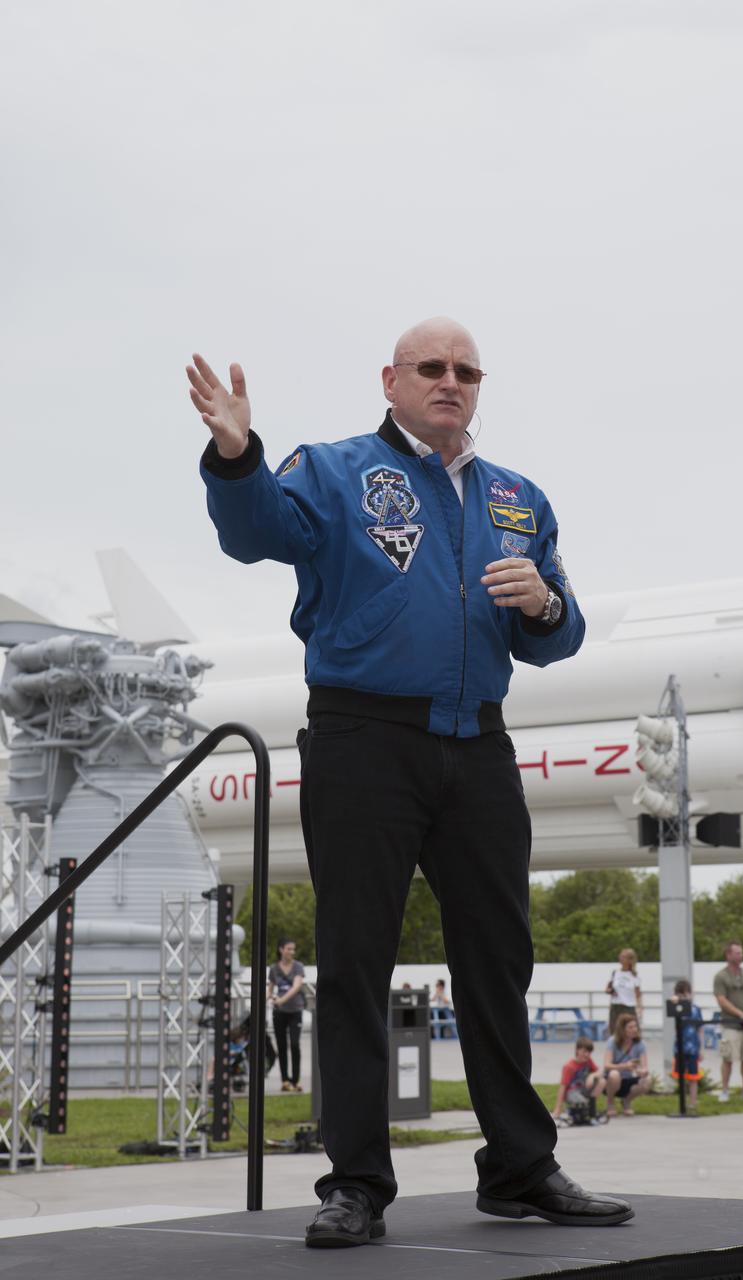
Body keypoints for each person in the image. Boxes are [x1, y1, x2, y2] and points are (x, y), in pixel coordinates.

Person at [189, 318, 633, 1246]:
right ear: (390, 379)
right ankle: (354, 1182)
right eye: (431, 368)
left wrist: (546, 604)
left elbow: (560, 634)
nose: (450, 382)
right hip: (364, 740)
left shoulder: (517, 497)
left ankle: (519, 1167)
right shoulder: (337, 469)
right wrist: (235, 454)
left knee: (498, 961)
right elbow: (257, 531)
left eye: (466, 371)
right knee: (356, 962)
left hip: (478, 746)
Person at [713, 940, 743, 1103]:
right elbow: (722, 1000)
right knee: (728, 1057)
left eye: (741, 952)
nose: (741, 955)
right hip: (730, 1024)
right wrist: (740, 1014)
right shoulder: (721, 976)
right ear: (728, 955)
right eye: (737, 952)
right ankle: (724, 1090)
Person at [267, 939, 306, 1093]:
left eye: (293, 949)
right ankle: (285, 1080)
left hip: (295, 1011)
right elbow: (270, 989)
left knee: (295, 1045)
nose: (292, 952)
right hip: (279, 1013)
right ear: (281, 949)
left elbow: (297, 986)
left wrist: (281, 1000)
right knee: (282, 1046)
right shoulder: (274, 969)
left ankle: (295, 1081)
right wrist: (269, 998)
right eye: (289, 949)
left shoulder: (298, 967)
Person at [603, 1014, 651, 1117]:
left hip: (629, 1078)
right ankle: (610, 1103)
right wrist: (625, 1066)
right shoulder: (612, 1042)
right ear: (622, 1029)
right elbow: (607, 1065)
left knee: (647, 1080)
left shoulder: (640, 1044)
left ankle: (626, 1101)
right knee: (614, 1074)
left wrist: (642, 1071)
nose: (634, 1029)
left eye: (635, 1026)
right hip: (612, 1080)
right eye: (630, 1027)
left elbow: (644, 1066)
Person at [552, 1036, 605, 1125]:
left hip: (583, 1089)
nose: (587, 1055)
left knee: (602, 1081)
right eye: (584, 1051)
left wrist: (592, 1075)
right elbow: (563, 1087)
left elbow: (600, 1072)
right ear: (577, 1050)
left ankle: (591, 1111)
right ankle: (576, 1113)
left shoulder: (588, 1061)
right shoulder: (569, 1066)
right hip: (572, 1092)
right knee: (581, 1101)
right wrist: (558, 1108)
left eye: (589, 1052)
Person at [669, 979, 703, 1112]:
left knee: (693, 1077)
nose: (684, 997)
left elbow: (700, 1029)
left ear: (691, 993)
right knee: (681, 1076)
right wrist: (676, 1000)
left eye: (686, 994)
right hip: (680, 1047)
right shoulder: (677, 1008)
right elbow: (672, 1002)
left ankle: (693, 1101)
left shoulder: (696, 1009)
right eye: (681, 994)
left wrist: (701, 1049)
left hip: (693, 1047)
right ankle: (682, 1101)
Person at [606, 949, 643, 1034]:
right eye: (620, 956)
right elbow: (608, 988)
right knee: (614, 1032)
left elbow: (638, 994)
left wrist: (639, 1007)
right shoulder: (615, 973)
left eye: (623, 957)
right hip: (616, 1006)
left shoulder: (634, 976)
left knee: (632, 1032)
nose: (620, 958)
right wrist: (610, 991)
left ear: (629, 960)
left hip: (628, 1006)